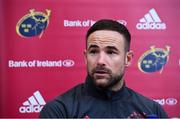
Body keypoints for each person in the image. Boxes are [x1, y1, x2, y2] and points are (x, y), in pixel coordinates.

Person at [39, 19, 168, 118]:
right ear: (85, 57)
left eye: (111, 52)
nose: (100, 61)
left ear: (127, 59)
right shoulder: (59, 111)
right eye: (94, 52)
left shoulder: (152, 110)